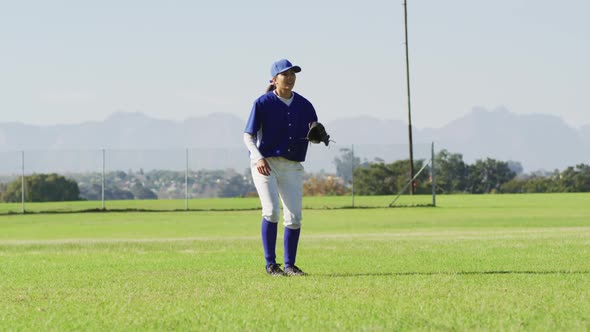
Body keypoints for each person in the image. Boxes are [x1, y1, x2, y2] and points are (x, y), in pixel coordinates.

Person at [243, 59, 319, 276]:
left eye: (293, 73)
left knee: (294, 216)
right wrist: (258, 158)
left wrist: (317, 134)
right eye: (285, 74)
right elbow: (248, 136)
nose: (291, 77)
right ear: (274, 79)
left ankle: (290, 265)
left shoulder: (305, 105)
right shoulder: (263, 103)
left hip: (292, 165)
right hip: (265, 164)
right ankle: (271, 265)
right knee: (271, 211)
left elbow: (313, 129)